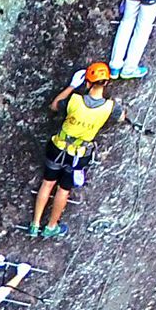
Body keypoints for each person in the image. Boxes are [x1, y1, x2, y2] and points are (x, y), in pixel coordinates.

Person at [31, 66, 123, 239]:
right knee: (63, 190)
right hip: (78, 155)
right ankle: (51, 226)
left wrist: (71, 86)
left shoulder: (74, 100)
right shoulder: (110, 107)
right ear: (107, 83)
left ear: (87, 83)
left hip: (58, 147)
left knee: (47, 183)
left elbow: (54, 106)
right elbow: (121, 117)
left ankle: (35, 224)